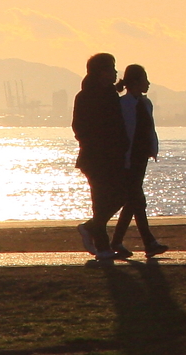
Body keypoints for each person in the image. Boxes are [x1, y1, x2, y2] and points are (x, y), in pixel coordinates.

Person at [72, 53, 129, 260]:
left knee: (119, 196)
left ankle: (92, 228)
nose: (115, 72)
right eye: (112, 68)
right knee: (101, 198)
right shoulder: (85, 96)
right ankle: (102, 246)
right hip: (95, 157)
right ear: (101, 72)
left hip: (112, 156)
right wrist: (97, 144)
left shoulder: (109, 94)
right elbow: (79, 127)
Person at [109, 64, 169, 259]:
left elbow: (148, 129)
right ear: (135, 82)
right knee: (136, 200)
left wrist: (152, 149)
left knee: (132, 201)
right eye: (145, 79)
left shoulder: (146, 103)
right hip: (129, 159)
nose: (148, 83)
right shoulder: (124, 104)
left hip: (141, 157)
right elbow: (126, 132)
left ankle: (117, 241)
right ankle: (148, 241)